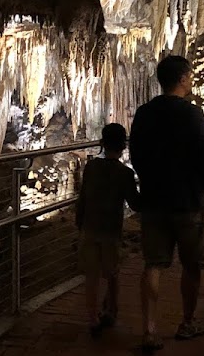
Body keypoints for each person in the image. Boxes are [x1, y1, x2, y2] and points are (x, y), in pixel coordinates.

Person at [129, 55, 204, 352]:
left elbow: (136, 154)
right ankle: (187, 322)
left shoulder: (144, 113)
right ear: (182, 79)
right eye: (189, 76)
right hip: (187, 201)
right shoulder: (192, 114)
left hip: (154, 201)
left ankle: (150, 330)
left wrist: (148, 182)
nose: (191, 80)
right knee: (191, 266)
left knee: (153, 264)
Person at [75, 122, 139, 337]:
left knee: (91, 275)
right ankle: (111, 310)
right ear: (123, 146)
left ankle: (93, 318)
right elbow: (135, 203)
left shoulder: (91, 167)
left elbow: (82, 198)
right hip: (111, 230)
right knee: (112, 272)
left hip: (90, 228)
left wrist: (79, 222)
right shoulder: (125, 173)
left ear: (102, 143)